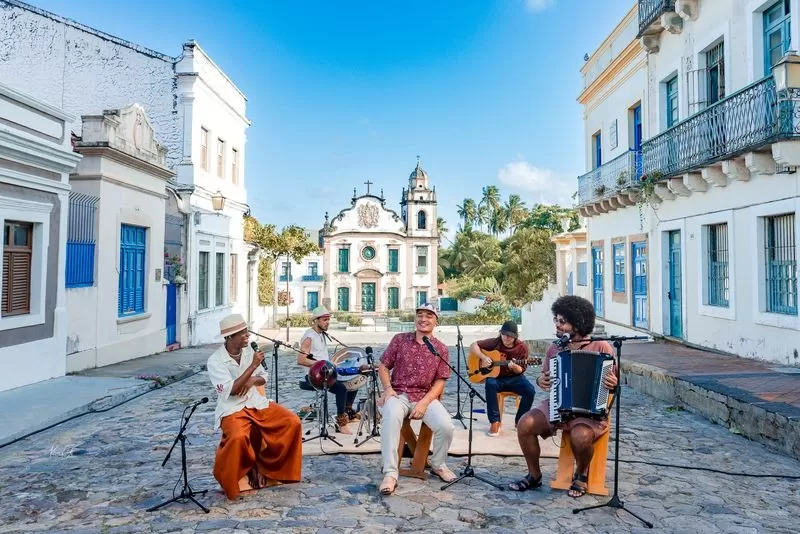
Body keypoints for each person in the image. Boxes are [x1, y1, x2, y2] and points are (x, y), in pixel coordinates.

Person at [510, 295, 617, 498]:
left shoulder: (601, 347)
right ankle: (534, 475)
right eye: (556, 320)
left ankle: (581, 474)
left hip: (590, 412)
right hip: (558, 405)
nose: (557, 325)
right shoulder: (555, 348)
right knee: (525, 424)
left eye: (562, 321)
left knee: (581, 436)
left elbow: (614, 383)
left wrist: (613, 383)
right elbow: (544, 377)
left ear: (577, 324)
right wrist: (542, 381)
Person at [207, 314, 302, 500]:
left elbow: (263, 377)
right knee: (238, 436)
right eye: (242, 333)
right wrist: (251, 368)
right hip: (232, 408)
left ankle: (272, 471)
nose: (247, 335)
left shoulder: (249, 350)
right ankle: (233, 478)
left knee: (292, 422)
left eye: (246, 331)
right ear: (229, 337)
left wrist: (252, 380)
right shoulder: (215, 361)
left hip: (256, 403)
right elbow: (233, 390)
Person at [376, 303, 456, 495]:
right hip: (399, 394)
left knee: (446, 426)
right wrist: (387, 389)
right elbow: (383, 366)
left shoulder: (441, 349)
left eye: (429, 316)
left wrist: (425, 403)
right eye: (420, 315)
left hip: (424, 396)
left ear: (436, 321)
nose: (423, 319)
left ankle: (438, 464)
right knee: (391, 417)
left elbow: (440, 381)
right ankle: (390, 473)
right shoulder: (400, 340)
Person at [297, 306, 359, 434]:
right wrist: (322, 364)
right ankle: (341, 422)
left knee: (354, 380)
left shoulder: (321, 334)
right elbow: (301, 360)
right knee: (341, 389)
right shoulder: (309, 337)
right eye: (325, 320)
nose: (327, 322)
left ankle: (348, 412)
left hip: (327, 373)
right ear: (316, 320)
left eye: (328, 320)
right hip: (315, 377)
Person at [470, 320, 536, 436]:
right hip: (497, 379)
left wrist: (515, 367)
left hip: (515, 379)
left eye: (510, 336)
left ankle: (520, 421)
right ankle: (494, 422)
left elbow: (521, 370)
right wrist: (483, 357)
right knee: (490, 383)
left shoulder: (522, 347)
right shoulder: (495, 342)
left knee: (530, 390)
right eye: (504, 334)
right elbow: (473, 345)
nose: (506, 338)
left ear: (515, 337)